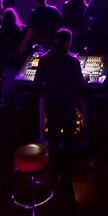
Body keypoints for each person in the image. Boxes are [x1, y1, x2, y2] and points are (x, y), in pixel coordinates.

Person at [33, 29, 85, 189]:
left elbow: (37, 83)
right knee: (69, 140)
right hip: (68, 105)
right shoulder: (74, 62)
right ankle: (67, 175)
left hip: (52, 105)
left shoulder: (45, 59)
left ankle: (53, 173)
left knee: (54, 139)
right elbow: (81, 85)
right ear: (68, 42)